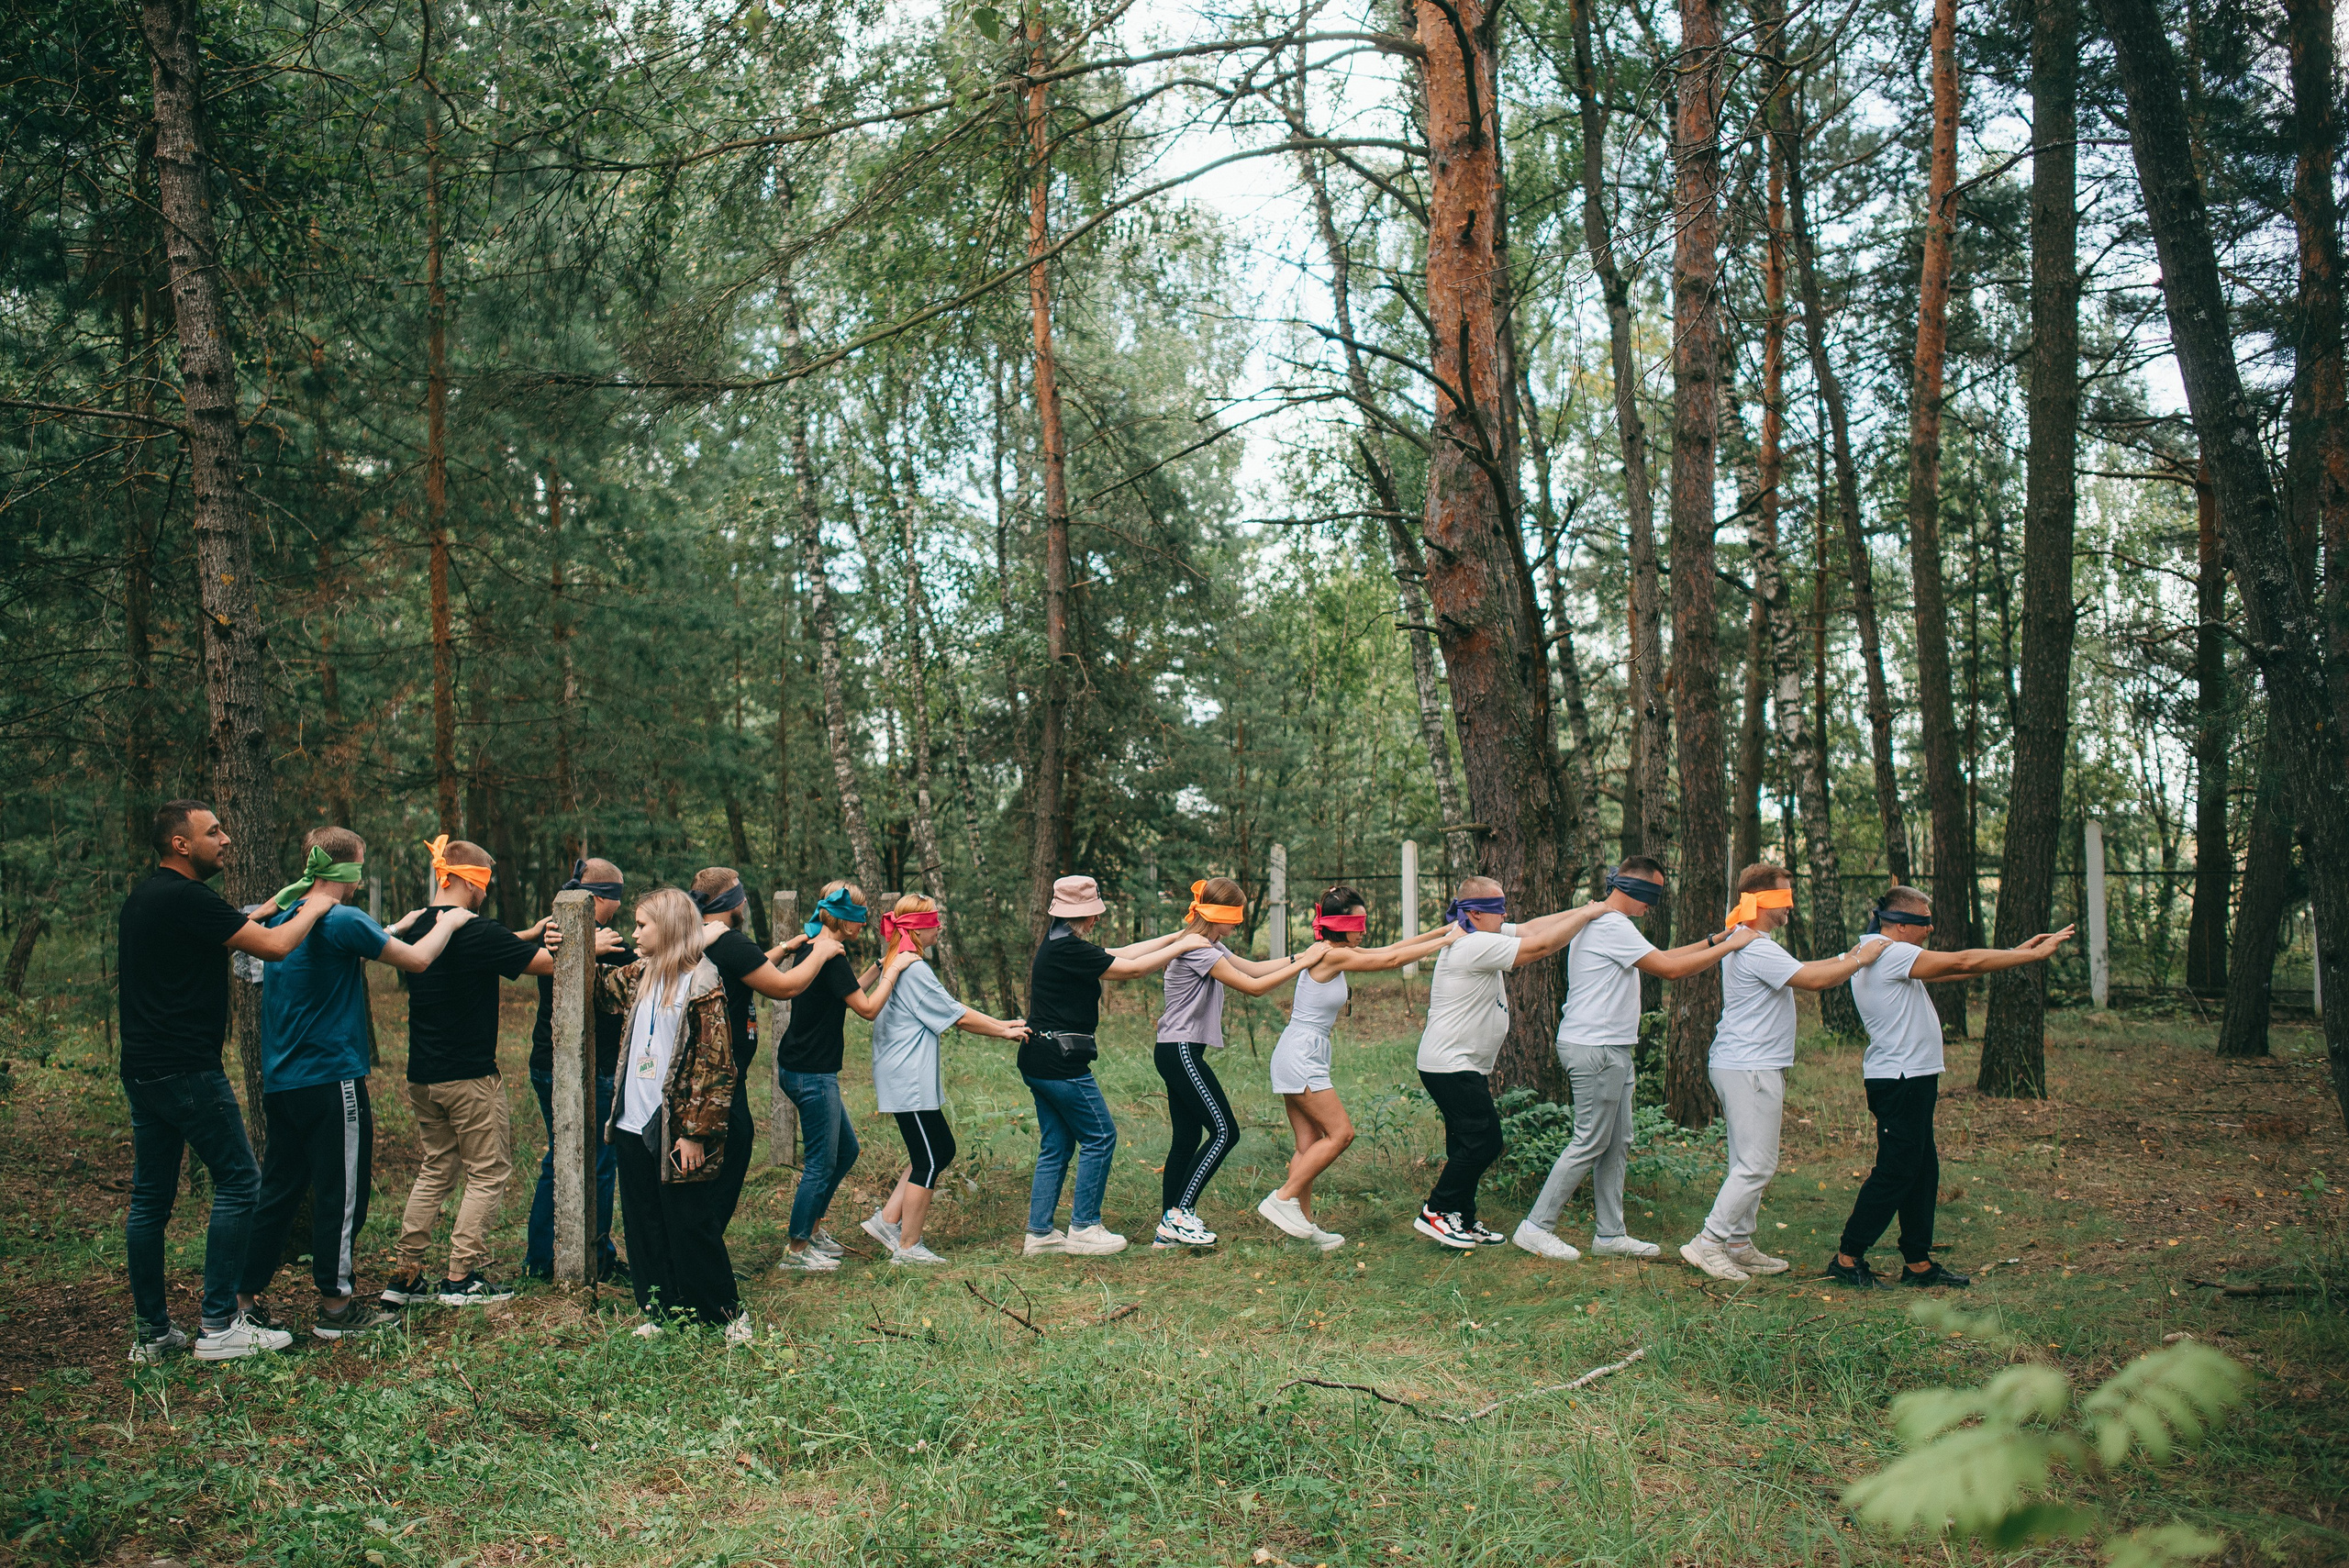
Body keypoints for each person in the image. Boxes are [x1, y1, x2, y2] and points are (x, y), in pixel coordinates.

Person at [233, 828, 479, 1337]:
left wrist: (393, 926)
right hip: (331, 1079)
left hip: (282, 1082)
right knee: (342, 1195)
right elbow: (418, 960)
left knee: (278, 1191)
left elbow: (327, 953)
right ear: (348, 871)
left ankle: (243, 1298)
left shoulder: (283, 917)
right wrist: (449, 921)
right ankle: (336, 1308)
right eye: (361, 868)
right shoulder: (342, 916)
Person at [119, 801, 337, 1362]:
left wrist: (277, 903)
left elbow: (231, 928)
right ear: (181, 845)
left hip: (144, 1069)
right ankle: (219, 1326)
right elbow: (276, 946)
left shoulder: (147, 897)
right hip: (189, 1069)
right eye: (212, 831)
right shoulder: (190, 898)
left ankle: (153, 1334)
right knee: (241, 1181)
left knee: (149, 1201)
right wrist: (318, 903)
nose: (226, 838)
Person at [382, 836, 611, 1307]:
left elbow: (486, 947)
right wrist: (591, 944)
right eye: (484, 884)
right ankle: (461, 1277)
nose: (486, 894)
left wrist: (525, 933)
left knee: (436, 1169)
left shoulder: (419, 927)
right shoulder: (478, 933)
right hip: (468, 1077)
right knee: (488, 1172)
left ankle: (404, 1276)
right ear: (472, 883)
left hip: (422, 1074)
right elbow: (554, 968)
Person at [1514, 859, 1758, 1262]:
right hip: (1596, 1048)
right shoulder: (1612, 925)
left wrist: (1715, 941)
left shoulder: (1611, 925)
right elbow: (1671, 971)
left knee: (1616, 1143)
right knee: (1590, 1139)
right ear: (1633, 889)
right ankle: (1536, 1227)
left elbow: (1660, 955)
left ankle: (1610, 1234)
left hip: (1612, 1048)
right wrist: (1732, 946)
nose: (1655, 906)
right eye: (1654, 895)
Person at [1829, 888, 2073, 1289]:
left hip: (1912, 1077)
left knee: (1922, 1170)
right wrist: (2030, 956)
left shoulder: (1882, 950)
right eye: (1925, 922)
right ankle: (1847, 1256)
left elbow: (1958, 970)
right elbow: (1961, 959)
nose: (1931, 928)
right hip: (1899, 1079)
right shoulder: (1888, 951)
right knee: (1896, 1170)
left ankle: (1918, 1263)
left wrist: (2012, 952)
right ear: (1901, 924)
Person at [1675, 863, 1888, 1283]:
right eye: (1785, 896)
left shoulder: (1756, 942)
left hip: (1746, 1062)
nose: (1791, 905)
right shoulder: (1756, 947)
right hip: (1750, 1064)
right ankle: (1709, 1241)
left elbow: (1806, 966)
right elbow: (1811, 979)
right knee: (1757, 1163)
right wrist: (1861, 959)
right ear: (1762, 900)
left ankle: (1737, 1243)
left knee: (1745, 1159)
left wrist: (1851, 955)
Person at [1410, 879, 1613, 1251]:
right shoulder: (1473, 944)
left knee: (1465, 1144)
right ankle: (1437, 1210)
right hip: (1451, 1063)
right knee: (1485, 1142)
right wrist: (1587, 913)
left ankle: (1463, 1219)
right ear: (1473, 913)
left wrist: (1592, 907)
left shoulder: (1475, 931)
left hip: (1460, 1063)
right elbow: (1541, 944)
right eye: (1497, 910)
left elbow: (1535, 926)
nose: (1505, 914)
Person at [1255, 886, 1462, 1251]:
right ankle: (1282, 1198)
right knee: (1341, 1134)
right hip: (1301, 1053)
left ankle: (1300, 1231)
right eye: (1358, 922)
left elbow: (1390, 950)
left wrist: (1444, 931)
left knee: (1308, 1146)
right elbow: (1391, 962)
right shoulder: (1332, 957)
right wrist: (1444, 944)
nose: (1364, 930)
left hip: (1301, 1050)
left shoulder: (1335, 951)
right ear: (1340, 924)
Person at [1019, 874, 1206, 1258]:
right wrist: (1180, 947)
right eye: (1093, 915)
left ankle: (1039, 1234)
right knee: (1100, 1136)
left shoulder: (1059, 942)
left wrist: (1175, 938)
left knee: (1056, 1146)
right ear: (1080, 916)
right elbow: (1133, 969)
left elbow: (1125, 951)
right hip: (1061, 1063)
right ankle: (1085, 1226)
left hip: (1039, 1057)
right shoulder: (1068, 950)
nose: (1096, 920)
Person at [595, 887, 748, 1340]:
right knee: (642, 1221)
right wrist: (583, 946)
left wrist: (695, 1133)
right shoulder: (640, 974)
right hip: (630, 1118)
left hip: (676, 1125)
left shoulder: (701, 982)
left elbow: (715, 1064)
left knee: (689, 1220)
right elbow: (597, 988)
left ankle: (724, 1315)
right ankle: (661, 1311)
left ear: (671, 927)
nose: (634, 933)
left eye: (643, 925)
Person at [1151, 878, 1328, 1250]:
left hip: (1178, 1050)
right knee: (1225, 1132)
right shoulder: (1199, 949)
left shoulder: (1208, 944)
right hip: (1180, 1050)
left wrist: (1301, 957)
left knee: (1186, 1138)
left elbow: (1253, 968)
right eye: (1235, 917)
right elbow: (1253, 986)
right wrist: (1305, 964)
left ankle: (1170, 1226)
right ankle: (1180, 1215)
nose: (1239, 924)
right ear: (1219, 915)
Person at [863, 895, 1029, 1264]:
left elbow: (951, 1008)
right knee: (932, 1155)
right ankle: (907, 1246)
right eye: (936, 921)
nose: (940, 926)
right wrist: (1002, 1032)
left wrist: (1003, 1024)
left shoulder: (902, 961)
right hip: (907, 1076)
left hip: (907, 1073)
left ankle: (888, 1220)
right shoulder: (913, 969)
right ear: (921, 927)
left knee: (937, 1148)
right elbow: (957, 1016)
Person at [688, 866, 836, 1232]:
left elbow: (749, 970)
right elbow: (784, 988)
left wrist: (787, 947)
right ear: (731, 904)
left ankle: (698, 1248)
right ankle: (704, 1249)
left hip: (710, 1072)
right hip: (720, 1076)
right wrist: (821, 953)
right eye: (740, 896)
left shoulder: (705, 939)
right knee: (728, 1159)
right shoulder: (731, 943)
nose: (744, 905)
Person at [774, 882, 912, 1271]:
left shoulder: (817, 947)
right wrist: (894, 973)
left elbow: (848, 993)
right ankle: (797, 1251)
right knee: (820, 1161)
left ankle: (813, 1229)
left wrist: (877, 969)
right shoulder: (829, 956)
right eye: (860, 915)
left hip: (805, 1067)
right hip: (811, 1073)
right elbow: (866, 1009)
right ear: (845, 920)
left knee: (846, 1151)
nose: (864, 922)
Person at [522, 858, 633, 1282]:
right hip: (579, 1064)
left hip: (556, 1058)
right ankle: (591, 1257)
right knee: (597, 1162)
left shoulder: (559, 928)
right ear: (605, 898)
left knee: (564, 1157)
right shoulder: (581, 934)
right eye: (615, 900)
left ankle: (546, 1257)